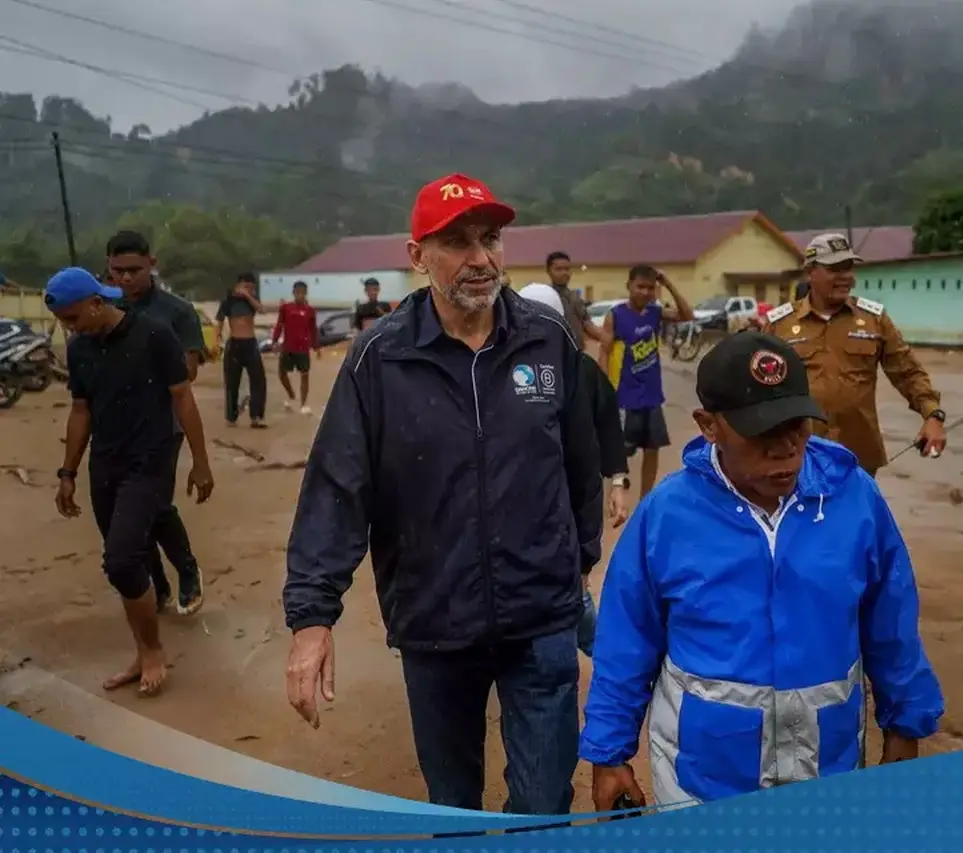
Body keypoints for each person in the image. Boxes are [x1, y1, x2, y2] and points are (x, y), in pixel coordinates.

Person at [282, 173, 603, 814]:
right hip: (435, 623)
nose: (480, 258)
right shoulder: (380, 358)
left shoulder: (547, 337)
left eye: (491, 239)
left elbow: (579, 462)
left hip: (541, 617)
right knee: (453, 804)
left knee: (544, 804)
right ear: (418, 256)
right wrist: (312, 618)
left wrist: (576, 561)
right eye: (457, 243)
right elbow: (338, 486)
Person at [580, 331, 944, 809]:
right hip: (700, 783)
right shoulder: (667, 515)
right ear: (709, 426)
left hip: (826, 772)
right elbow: (627, 643)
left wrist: (905, 727)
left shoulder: (854, 500)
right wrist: (609, 754)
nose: (786, 448)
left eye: (797, 425)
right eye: (762, 432)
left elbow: (892, 626)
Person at [48, 268, 215, 696]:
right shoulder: (80, 349)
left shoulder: (154, 335)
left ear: (96, 303)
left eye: (73, 318)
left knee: (121, 559)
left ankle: (154, 650)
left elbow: (183, 397)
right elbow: (81, 410)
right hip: (105, 463)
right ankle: (143, 651)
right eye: (64, 322)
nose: (70, 328)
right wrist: (67, 472)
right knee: (126, 563)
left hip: (151, 459)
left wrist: (200, 461)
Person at [763, 233, 946, 477]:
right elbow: (757, 387)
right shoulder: (780, 325)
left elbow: (908, 372)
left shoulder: (874, 320)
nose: (845, 277)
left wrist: (933, 416)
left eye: (848, 268)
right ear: (810, 272)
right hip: (799, 455)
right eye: (834, 269)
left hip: (858, 457)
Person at [518, 282, 629, 659]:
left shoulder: (582, 372)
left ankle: (613, 659)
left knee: (574, 597)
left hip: (570, 501)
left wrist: (618, 482)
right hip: (523, 505)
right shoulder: (502, 373)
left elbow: (608, 429)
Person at [104, 230, 206, 615]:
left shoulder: (176, 312)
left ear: (152, 263)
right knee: (125, 507)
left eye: (134, 269)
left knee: (154, 502)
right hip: (115, 424)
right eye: (118, 271)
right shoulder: (103, 306)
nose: (126, 278)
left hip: (165, 422)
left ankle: (187, 570)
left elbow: (189, 371)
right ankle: (155, 583)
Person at [596, 265, 694, 498]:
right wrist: (604, 390)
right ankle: (616, 498)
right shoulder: (616, 315)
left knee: (652, 449)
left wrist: (668, 284)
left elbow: (687, 315)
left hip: (651, 395)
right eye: (640, 286)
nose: (645, 292)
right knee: (619, 454)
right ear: (628, 286)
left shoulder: (655, 313)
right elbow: (604, 352)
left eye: (650, 287)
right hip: (624, 397)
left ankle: (646, 498)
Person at [215, 273, 267, 428]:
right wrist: (217, 339)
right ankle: (231, 417)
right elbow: (219, 321)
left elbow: (261, 310)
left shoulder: (252, 301)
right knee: (232, 382)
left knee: (258, 380)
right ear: (238, 285)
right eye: (246, 287)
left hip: (250, 343)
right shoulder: (228, 301)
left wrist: (248, 296)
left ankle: (256, 416)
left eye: (251, 287)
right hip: (235, 343)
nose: (249, 290)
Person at [272, 280, 318, 415]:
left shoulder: (310, 310)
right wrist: (275, 341)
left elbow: (313, 329)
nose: (300, 295)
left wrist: (316, 346)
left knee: (305, 375)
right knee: (282, 373)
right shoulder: (286, 308)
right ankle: (291, 394)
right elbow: (279, 325)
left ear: (306, 293)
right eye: (297, 293)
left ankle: (304, 404)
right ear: (293, 293)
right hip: (288, 347)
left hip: (303, 348)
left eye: (302, 293)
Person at [545, 251, 604, 350]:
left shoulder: (575, 297)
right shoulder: (545, 296)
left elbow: (587, 324)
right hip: (554, 352)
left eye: (567, 269)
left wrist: (608, 338)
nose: (564, 273)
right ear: (548, 271)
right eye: (558, 269)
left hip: (576, 351)